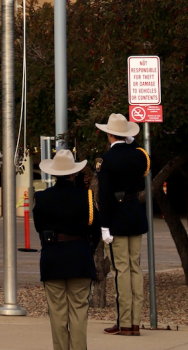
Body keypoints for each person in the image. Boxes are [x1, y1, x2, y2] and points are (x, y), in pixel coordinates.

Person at [33, 149, 101, 350]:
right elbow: (95, 230)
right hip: (79, 257)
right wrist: (87, 250)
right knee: (79, 312)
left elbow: (39, 227)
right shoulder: (86, 197)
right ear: (74, 173)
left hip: (52, 258)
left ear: (53, 174)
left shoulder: (42, 198)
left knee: (57, 314)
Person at [95, 113, 150, 336]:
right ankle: (134, 322)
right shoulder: (139, 156)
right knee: (135, 268)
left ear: (109, 134)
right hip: (135, 215)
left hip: (116, 219)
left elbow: (105, 196)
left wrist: (104, 226)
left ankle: (124, 322)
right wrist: (130, 141)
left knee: (121, 271)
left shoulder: (106, 160)